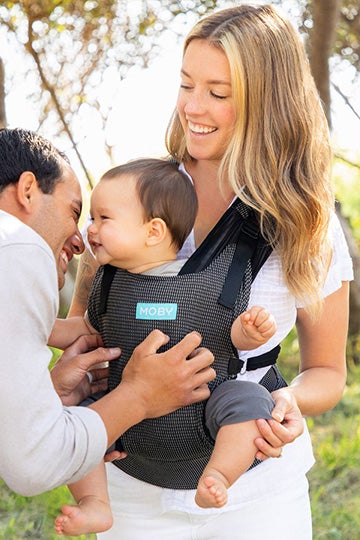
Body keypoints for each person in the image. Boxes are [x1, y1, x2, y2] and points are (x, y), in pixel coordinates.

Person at [68, 5, 353, 540]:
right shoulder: (132, 200)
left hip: (257, 496)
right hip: (129, 486)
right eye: (185, 84)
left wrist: (287, 402)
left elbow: (327, 373)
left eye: (218, 93)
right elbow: (85, 326)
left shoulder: (303, 219)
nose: (192, 108)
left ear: (267, 102)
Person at [49, 158, 277, 535]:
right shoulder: (109, 282)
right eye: (91, 218)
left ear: (153, 230)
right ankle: (95, 504)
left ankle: (218, 475)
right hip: (125, 417)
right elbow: (82, 329)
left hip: (208, 412)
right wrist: (32, 324)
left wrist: (249, 333)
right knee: (80, 423)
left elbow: (226, 335)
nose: (89, 230)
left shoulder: (211, 280)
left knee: (251, 402)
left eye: (103, 218)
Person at [0, 127, 216, 499]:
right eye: (75, 212)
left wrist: (46, 393)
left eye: (102, 219)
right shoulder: (18, 247)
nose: (81, 240)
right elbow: (31, 465)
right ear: (28, 190)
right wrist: (140, 396)